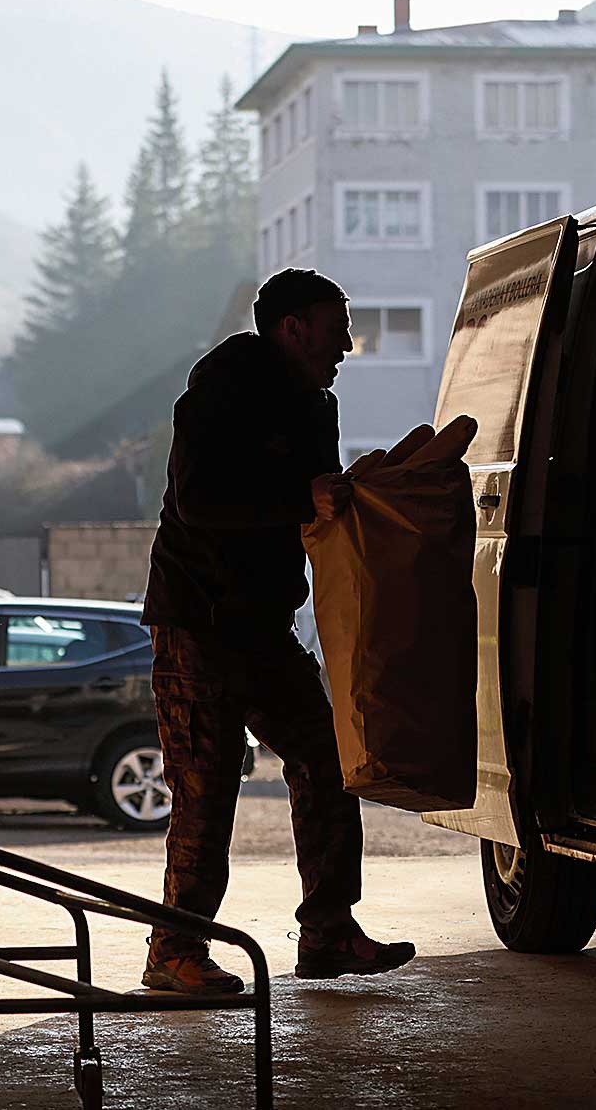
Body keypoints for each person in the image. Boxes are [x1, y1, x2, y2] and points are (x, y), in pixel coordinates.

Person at [138, 268, 416, 993]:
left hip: (262, 627)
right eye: (335, 328)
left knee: (328, 757)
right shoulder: (223, 385)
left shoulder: (315, 405)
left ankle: (327, 931)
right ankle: (173, 952)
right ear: (293, 328)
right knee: (205, 787)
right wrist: (302, 495)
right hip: (196, 623)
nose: (348, 345)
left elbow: (316, 512)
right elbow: (199, 500)